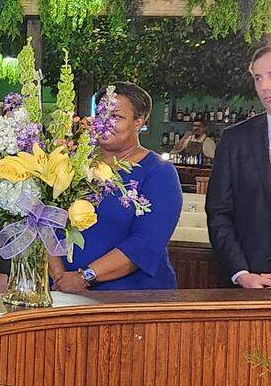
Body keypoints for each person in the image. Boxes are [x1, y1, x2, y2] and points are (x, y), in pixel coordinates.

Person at [52, 82, 183, 292]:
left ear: (139, 122)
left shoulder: (158, 172)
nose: (105, 122)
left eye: (117, 117)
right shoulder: (74, 164)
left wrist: (84, 277)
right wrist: (59, 278)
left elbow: (146, 243)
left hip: (129, 299)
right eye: (102, 114)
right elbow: (45, 223)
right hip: (62, 292)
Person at [207, 46, 271, 290]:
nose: (264, 86)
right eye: (258, 78)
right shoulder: (235, 139)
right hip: (247, 285)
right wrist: (241, 273)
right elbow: (219, 211)